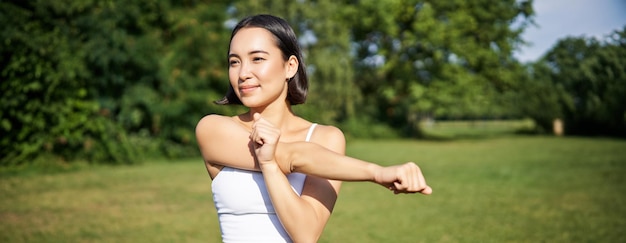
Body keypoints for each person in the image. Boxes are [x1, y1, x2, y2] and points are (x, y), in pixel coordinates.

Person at [195, 14, 432, 243]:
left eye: (257, 59)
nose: (243, 73)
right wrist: (377, 173)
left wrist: (269, 166)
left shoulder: (326, 137)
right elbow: (292, 156)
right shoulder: (213, 129)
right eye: (234, 61)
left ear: (290, 66)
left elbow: (306, 234)